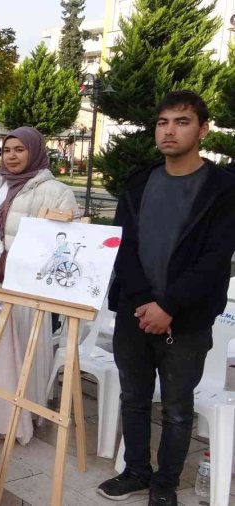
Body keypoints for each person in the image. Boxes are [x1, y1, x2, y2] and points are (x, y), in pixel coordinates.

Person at [97, 91, 235, 505]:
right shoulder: (140, 182)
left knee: (177, 408)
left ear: (202, 129)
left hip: (186, 319)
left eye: (181, 121)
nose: (169, 130)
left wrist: (169, 307)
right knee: (134, 399)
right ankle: (137, 471)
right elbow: (123, 246)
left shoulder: (223, 188)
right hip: (135, 314)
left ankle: (165, 485)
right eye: (163, 122)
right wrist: (143, 304)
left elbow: (215, 258)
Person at [0, 126, 79, 283]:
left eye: (19, 150)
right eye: (6, 150)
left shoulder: (57, 192)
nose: (11, 156)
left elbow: (68, 240)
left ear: (34, 152)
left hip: (28, 276)